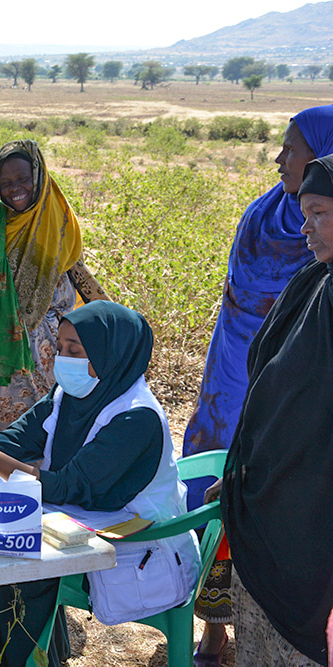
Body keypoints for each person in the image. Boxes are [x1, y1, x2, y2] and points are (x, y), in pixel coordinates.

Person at [0, 301, 200, 667]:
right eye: (59, 348)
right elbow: (18, 438)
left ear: (110, 354)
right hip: (84, 522)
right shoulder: (70, 395)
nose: (63, 359)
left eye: (75, 350)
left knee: (11, 565)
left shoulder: (136, 418)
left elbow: (67, 486)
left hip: (139, 543)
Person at [182, 104, 333, 663]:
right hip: (232, 374)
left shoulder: (320, 268)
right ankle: (216, 624)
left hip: (294, 404)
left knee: (274, 509)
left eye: (291, 149)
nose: (279, 158)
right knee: (216, 493)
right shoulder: (272, 212)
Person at [0, 139, 108, 442]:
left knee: (36, 447)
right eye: (5, 182)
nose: (14, 188)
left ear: (39, 177)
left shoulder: (58, 225)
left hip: (45, 367)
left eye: (23, 179)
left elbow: (80, 284)